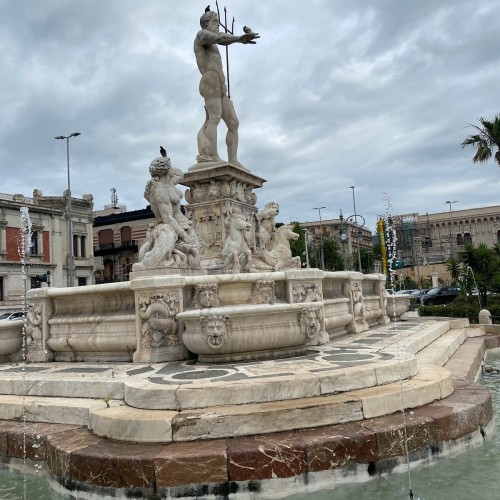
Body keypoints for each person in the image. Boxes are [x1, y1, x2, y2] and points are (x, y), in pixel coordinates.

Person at [194, 8, 259, 169]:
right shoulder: (201, 35)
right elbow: (218, 37)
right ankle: (213, 156)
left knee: (234, 123)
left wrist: (238, 39)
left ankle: (233, 160)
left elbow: (221, 37)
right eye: (215, 21)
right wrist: (238, 38)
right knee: (214, 117)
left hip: (220, 85)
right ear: (206, 23)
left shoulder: (213, 45)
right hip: (210, 79)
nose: (218, 24)